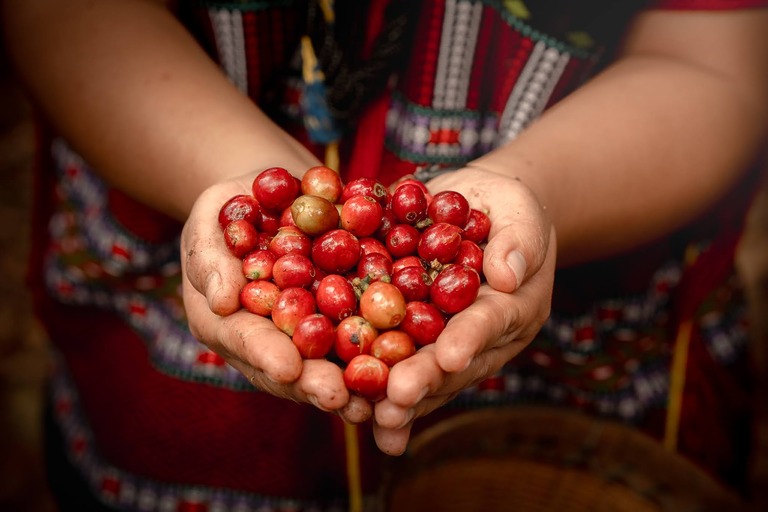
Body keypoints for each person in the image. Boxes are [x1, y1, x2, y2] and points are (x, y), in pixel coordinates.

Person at [2, 0, 767, 510]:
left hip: (573, 368)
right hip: (179, 398)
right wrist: (237, 179)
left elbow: (714, 65)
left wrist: (532, 189)